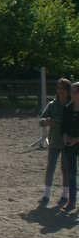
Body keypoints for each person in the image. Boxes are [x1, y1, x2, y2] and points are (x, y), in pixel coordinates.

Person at [38, 78, 72, 206]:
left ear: (68, 90)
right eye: (58, 88)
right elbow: (41, 120)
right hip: (54, 141)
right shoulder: (52, 104)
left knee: (66, 169)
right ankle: (46, 195)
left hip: (68, 142)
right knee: (50, 167)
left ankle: (65, 195)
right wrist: (46, 121)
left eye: (63, 88)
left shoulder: (72, 104)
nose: (60, 91)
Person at [59, 82, 79, 213]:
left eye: (72, 91)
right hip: (69, 146)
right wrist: (65, 137)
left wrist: (77, 139)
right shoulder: (67, 108)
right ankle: (71, 202)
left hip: (76, 142)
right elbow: (63, 126)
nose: (70, 93)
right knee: (71, 174)